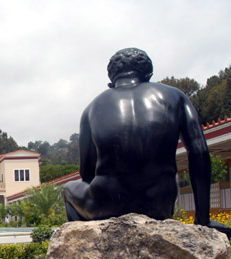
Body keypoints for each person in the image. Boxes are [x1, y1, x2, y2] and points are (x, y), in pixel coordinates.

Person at [62, 48, 230, 236]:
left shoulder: (91, 109)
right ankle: (203, 219)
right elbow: (199, 152)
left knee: (68, 190)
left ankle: (85, 244)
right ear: (148, 74)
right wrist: (203, 220)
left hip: (107, 204)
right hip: (158, 204)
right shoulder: (175, 97)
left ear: (111, 79)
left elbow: (87, 174)